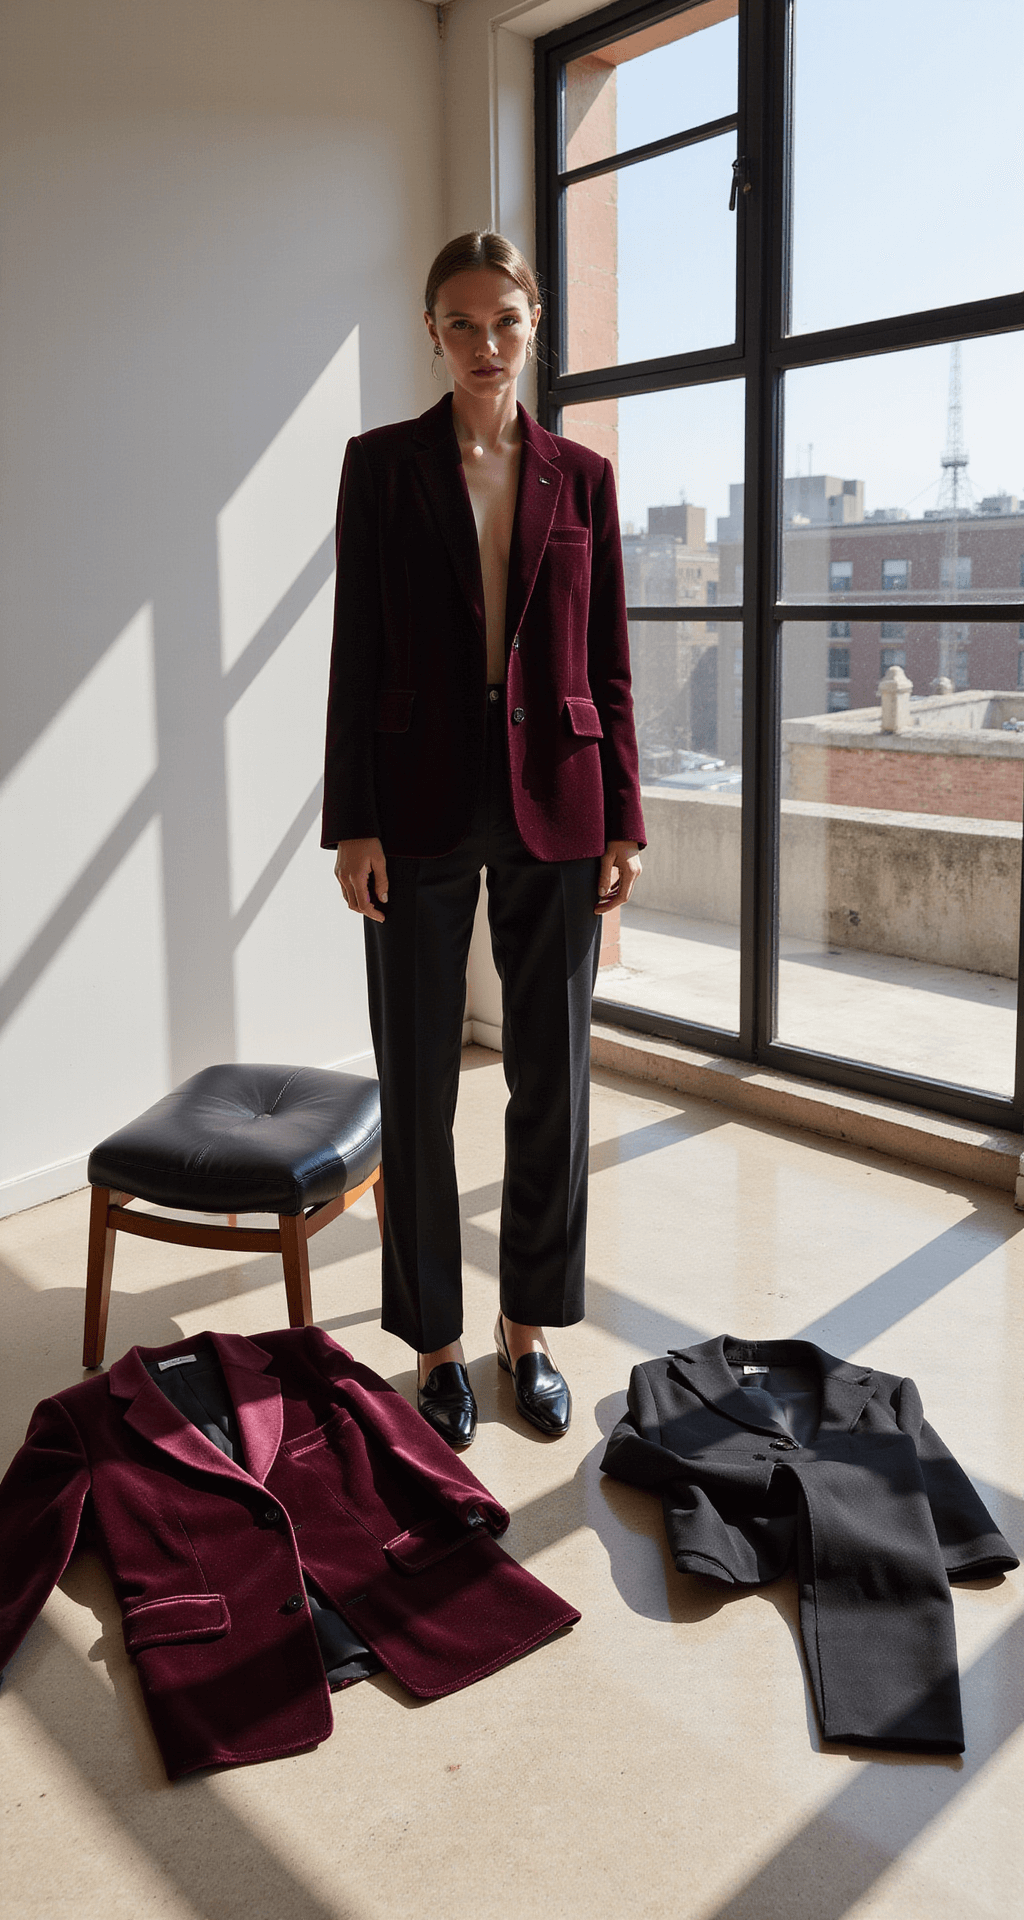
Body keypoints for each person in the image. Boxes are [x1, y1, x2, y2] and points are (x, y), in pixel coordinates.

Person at [322, 231, 645, 1450]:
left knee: (550, 1084)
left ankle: (527, 1332)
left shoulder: (583, 478)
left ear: (534, 322)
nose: (485, 343)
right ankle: (437, 1348)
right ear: (432, 332)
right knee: (414, 1082)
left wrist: (624, 815)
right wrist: (350, 818)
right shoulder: (380, 467)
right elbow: (356, 647)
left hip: (557, 803)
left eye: (504, 320)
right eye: (461, 323)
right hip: (412, 804)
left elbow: (606, 660)